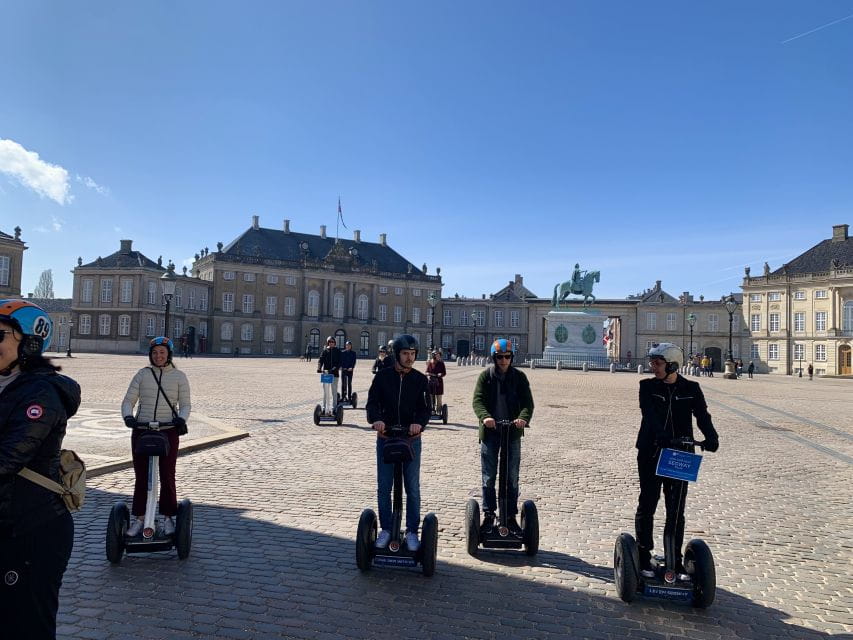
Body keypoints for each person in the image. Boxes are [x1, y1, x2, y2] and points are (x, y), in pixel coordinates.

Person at [0, 299, 80, 639]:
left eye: (0, 335)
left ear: (30, 342)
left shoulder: (41, 393)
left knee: (27, 627)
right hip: (7, 521)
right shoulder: (6, 385)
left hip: (34, 527)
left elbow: (9, 457)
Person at [636, 343, 719, 578]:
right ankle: (643, 553)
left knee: (676, 509)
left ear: (672, 365)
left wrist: (711, 436)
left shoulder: (691, 388)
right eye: (652, 362)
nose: (653, 367)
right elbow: (648, 414)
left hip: (680, 454)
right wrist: (660, 435)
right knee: (648, 503)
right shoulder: (647, 386)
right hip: (652, 450)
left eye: (658, 363)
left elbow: (702, 415)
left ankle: (674, 557)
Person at [366, 334, 430, 551]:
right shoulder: (382, 377)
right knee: (385, 487)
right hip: (386, 438)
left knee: (412, 487)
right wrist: (376, 420)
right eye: (405, 354)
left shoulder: (420, 380)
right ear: (397, 354)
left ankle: (412, 531)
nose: (410, 358)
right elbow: (372, 403)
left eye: (413, 354)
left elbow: (425, 409)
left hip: (411, 440)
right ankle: (385, 528)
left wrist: (418, 424)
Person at [121, 337, 191, 537]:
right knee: (141, 476)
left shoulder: (179, 376)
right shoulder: (142, 375)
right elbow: (128, 400)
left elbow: (186, 404)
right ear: (150, 355)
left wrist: (181, 419)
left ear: (169, 354)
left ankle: (168, 517)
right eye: (154, 353)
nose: (158, 356)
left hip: (168, 430)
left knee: (167, 475)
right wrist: (128, 417)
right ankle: (140, 518)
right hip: (142, 430)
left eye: (162, 352)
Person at [472, 338, 534, 535]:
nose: (504, 360)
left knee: (512, 477)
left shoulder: (519, 377)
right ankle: (489, 514)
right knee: (489, 476)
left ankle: (509, 516)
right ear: (494, 358)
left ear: (511, 357)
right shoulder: (485, 377)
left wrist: (523, 418)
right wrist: (485, 417)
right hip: (491, 432)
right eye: (500, 357)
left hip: (512, 433)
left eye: (507, 357)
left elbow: (527, 403)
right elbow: (478, 400)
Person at [425, 349, 446, 414]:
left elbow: (444, 373)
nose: (438, 357)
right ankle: (432, 410)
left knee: (439, 398)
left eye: (439, 355)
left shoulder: (441, 363)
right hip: (431, 381)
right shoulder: (430, 363)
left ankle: (439, 411)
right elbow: (426, 372)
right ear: (434, 356)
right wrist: (428, 374)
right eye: (437, 355)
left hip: (438, 382)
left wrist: (441, 374)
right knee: (431, 397)